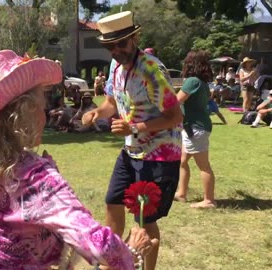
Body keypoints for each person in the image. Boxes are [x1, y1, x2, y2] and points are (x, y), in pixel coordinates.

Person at [0, 50, 157, 270]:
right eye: (42, 108)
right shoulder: (33, 175)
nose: (45, 115)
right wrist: (132, 251)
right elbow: (97, 245)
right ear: (24, 114)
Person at [82, 11, 183, 270]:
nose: (116, 50)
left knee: (145, 220)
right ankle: (112, 262)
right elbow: (110, 103)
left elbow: (174, 116)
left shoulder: (151, 69)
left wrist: (133, 128)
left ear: (135, 38)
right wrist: (95, 112)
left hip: (159, 155)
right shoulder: (116, 66)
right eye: (109, 46)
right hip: (131, 151)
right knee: (112, 202)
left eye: (122, 43)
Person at [173, 50, 217, 209]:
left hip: (196, 129)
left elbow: (175, 101)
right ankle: (181, 193)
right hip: (193, 128)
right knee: (183, 161)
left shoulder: (192, 81)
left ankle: (209, 200)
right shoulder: (202, 83)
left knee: (203, 165)